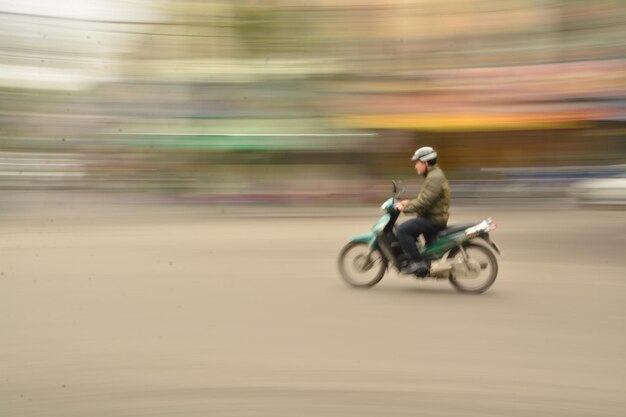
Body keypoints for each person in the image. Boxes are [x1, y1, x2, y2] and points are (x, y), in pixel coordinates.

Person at [394, 146, 451, 275]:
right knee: (407, 229)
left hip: (434, 220)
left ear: (426, 163)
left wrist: (405, 208)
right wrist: (408, 202)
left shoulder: (434, 177)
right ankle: (421, 258)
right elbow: (426, 198)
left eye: (417, 162)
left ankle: (418, 263)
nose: (415, 166)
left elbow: (425, 201)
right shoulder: (433, 175)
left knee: (403, 230)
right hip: (432, 216)